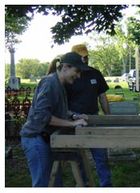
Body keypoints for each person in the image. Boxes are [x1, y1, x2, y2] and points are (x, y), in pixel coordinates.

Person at [20, 52, 90, 187]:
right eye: (77, 71)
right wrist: (72, 123)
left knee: (55, 184)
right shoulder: (50, 83)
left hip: (45, 139)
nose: (79, 76)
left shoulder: (59, 83)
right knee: (43, 185)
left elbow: (59, 111)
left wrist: (74, 116)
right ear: (65, 67)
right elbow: (42, 116)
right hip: (36, 139)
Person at [65, 44, 112, 187]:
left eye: (86, 57)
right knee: (78, 158)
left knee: (101, 156)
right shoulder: (68, 76)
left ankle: (106, 186)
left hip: (93, 119)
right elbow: (62, 102)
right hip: (75, 121)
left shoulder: (95, 73)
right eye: (81, 57)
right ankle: (83, 185)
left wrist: (109, 117)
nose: (84, 60)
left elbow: (102, 97)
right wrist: (71, 118)